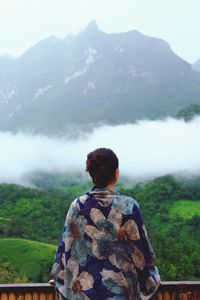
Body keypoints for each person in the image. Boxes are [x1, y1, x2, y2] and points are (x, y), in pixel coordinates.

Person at [50, 148, 160, 300]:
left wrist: (61, 278)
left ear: (92, 174)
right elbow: (142, 255)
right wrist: (151, 279)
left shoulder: (77, 205)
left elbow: (65, 249)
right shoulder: (129, 206)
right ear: (116, 174)